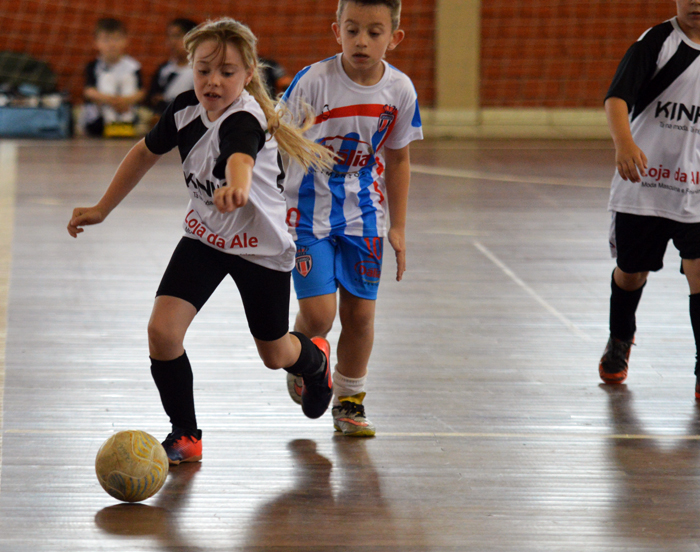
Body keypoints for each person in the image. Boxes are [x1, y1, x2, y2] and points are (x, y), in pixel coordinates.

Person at [68, 17, 336, 465]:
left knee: (274, 354)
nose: (213, 81)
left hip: (260, 250)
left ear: (248, 74)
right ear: (190, 66)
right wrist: (102, 208)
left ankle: (313, 361)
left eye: (227, 72)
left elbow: (239, 156)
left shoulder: (245, 119)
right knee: (162, 331)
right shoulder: (183, 108)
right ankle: (186, 434)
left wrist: (237, 186)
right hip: (206, 239)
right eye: (204, 69)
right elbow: (142, 153)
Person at [280, 0, 423, 436]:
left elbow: (398, 161)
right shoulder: (313, 81)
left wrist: (397, 226)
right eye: (353, 29)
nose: (362, 40)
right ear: (336, 30)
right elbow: (277, 143)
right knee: (320, 316)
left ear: (393, 38)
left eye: (374, 32)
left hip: (363, 214)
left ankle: (349, 402)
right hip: (306, 213)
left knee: (360, 316)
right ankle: (303, 358)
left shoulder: (399, 91)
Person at [599, 0, 700, 395]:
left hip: (693, 190)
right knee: (630, 274)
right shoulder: (656, 42)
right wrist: (624, 144)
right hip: (644, 185)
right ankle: (620, 338)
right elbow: (617, 99)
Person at [82, 18, 146, 137]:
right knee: (107, 79)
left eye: (116, 39)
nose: (111, 44)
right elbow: (89, 91)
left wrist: (124, 101)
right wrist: (111, 100)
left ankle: (126, 122)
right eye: (106, 40)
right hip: (101, 114)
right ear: (96, 42)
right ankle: (110, 122)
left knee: (128, 79)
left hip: (126, 107)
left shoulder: (133, 66)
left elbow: (141, 92)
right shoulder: (94, 66)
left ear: (125, 40)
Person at [147, 18, 198, 118]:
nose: (172, 42)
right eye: (170, 36)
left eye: (177, 36)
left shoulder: (199, 71)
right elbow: (152, 97)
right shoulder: (164, 69)